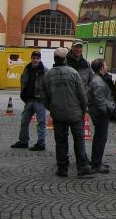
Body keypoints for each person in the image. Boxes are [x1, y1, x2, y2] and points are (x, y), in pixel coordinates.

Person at [41, 47, 95, 178]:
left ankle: (62, 168)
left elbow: (43, 97)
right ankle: (82, 167)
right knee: (79, 140)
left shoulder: (48, 75)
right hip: (75, 113)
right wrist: (84, 109)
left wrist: (52, 108)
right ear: (65, 59)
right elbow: (82, 94)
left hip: (58, 114)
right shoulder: (73, 73)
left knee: (60, 141)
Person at [11, 50, 48, 151]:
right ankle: (23, 141)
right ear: (31, 58)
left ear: (40, 59)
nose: (35, 60)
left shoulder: (44, 70)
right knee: (24, 121)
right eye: (33, 58)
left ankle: (41, 143)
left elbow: (48, 85)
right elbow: (23, 81)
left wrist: (45, 98)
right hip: (29, 100)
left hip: (40, 100)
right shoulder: (27, 68)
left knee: (41, 122)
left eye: (37, 58)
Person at [87, 58, 116, 173]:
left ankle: (97, 161)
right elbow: (100, 102)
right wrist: (107, 111)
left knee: (100, 139)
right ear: (102, 68)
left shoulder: (99, 80)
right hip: (100, 115)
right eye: (105, 65)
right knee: (100, 139)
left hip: (101, 113)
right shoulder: (98, 82)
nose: (107, 67)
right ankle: (96, 163)